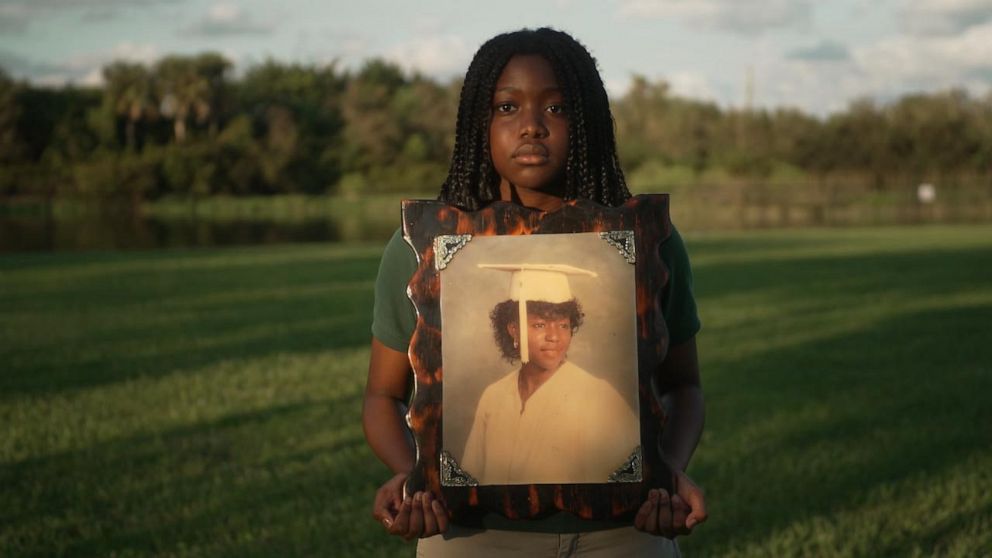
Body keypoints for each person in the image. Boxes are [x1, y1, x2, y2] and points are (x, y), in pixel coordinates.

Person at [362, 27, 707, 556]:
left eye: (557, 108)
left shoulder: (647, 248)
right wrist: (412, 477)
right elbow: (383, 396)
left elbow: (683, 387)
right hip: (474, 537)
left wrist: (671, 472)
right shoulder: (423, 252)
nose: (531, 127)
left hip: (621, 534)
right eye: (506, 107)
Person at [460, 264, 640, 485]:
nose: (554, 336)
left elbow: (632, 481)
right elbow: (469, 481)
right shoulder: (493, 396)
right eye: (540, 324)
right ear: (513, 329)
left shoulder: (596, 396)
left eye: (563, 326)